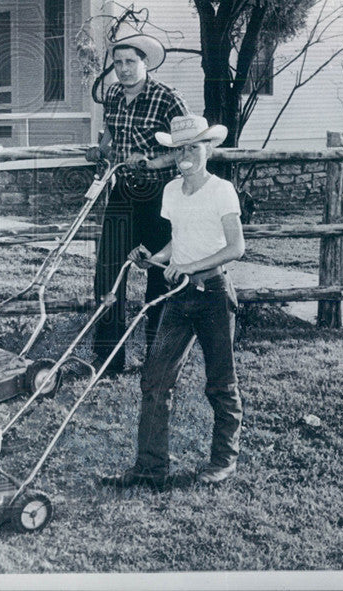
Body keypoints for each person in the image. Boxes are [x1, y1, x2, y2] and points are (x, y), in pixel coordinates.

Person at [100, 114, 245, 489]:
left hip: (213, 294)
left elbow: (236, 247)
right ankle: (150, 468)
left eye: (194, 147)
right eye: (180, 148)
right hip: (178, 297)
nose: (186, 155)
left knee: (220, 382)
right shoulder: (170, 192)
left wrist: (189, 266)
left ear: (207, 149)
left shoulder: (222, 190)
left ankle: (223, 461)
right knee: (154, 380)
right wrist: (155, 257)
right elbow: (176, 241)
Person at [87, 33, 189, 376]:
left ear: (146, 64)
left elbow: (190, 147)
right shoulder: (114, 94)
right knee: (108, 274)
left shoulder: (167, 99)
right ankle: (108, 360)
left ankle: (158, 359)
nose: (125, 69)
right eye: (118, 63)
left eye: (131, 62)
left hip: (159, 198)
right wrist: (101, 148)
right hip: (122, 194)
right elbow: (112, 130)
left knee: (158, 277)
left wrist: (152, 162)